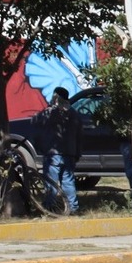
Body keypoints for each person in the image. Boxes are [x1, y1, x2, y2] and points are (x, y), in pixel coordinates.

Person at [34, 87, 82, 215]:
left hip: (53, 153)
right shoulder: (74, 113)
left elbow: (37, 122)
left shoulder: (50, 112)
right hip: (70, 152)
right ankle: (73, 208)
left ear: (56, 97)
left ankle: (50, 208)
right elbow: (79, 135)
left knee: (51, 182)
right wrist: (77, 152)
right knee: (68, 182)